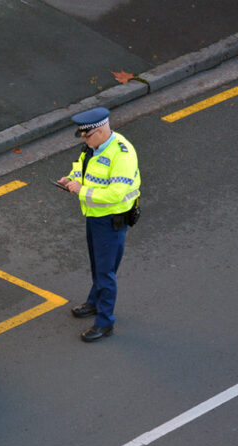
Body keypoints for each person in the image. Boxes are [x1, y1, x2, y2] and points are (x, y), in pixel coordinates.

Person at [57, 107, 140, 342]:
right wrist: (71, 179)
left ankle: (105, 322)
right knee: (97, 265)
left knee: (105, 273)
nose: (84, 140)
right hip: (95, 216)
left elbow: (116, 193)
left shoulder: (122, 154)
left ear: (102, 130)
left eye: (87, 135)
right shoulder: (93, 146)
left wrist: (83, 191)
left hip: (110, 221)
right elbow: (81, 166)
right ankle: (94, 302)